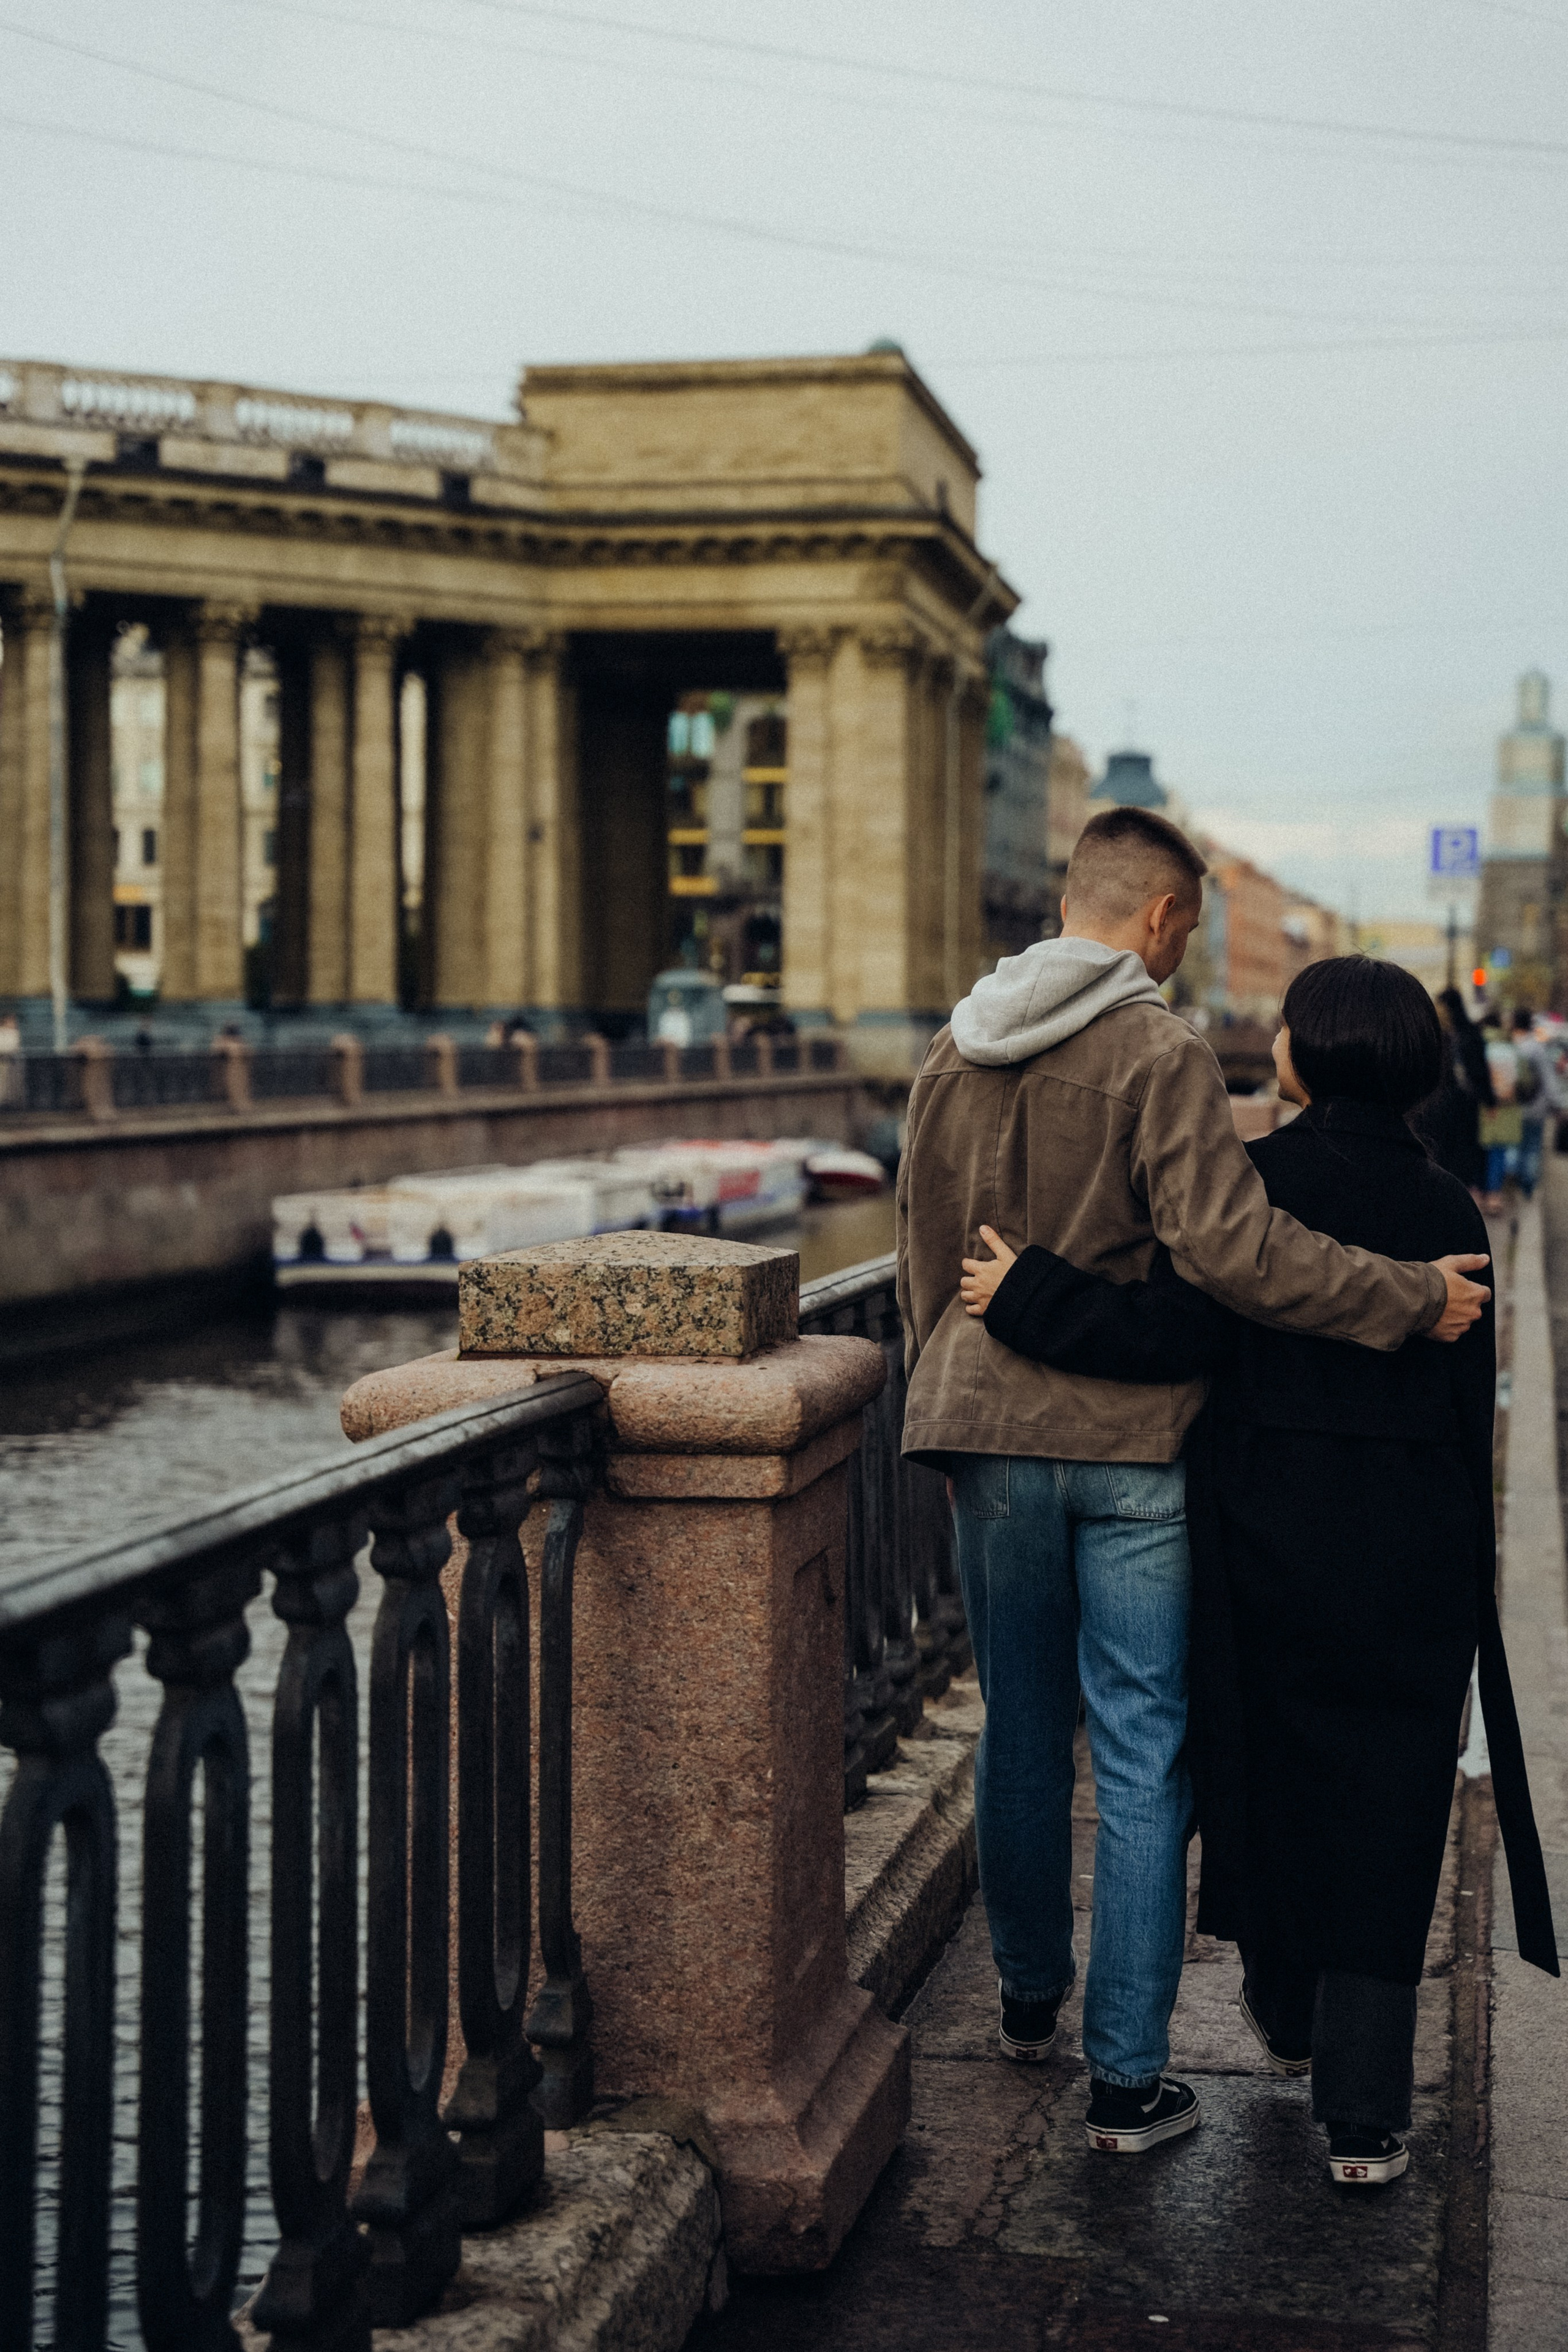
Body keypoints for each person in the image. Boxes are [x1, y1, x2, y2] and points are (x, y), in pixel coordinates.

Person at [895, 808, 1490, 2159]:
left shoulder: (951, 1044)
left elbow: (925, 1254)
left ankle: (1026, 2002)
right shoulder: (1155, 1049)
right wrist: (1408, 1296)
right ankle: (1124, 2083)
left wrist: (947, 1400)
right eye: (1190, 927)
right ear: (1161, 918)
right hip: (1130, 1449)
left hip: (985, 1426)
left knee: (1016, 1728)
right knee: (1142, 1749)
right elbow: (1230, 1257)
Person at [1420, 987, 1493, 1200]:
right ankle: (1462, 1194)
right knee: (1464, 1149)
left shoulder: (1433, 1033)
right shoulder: (1470, 1033)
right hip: (1466, 1102)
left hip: (1437, 1102)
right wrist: (1490, 1101)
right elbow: (1481, 1071)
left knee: (1440, 1152)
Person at [1508, 1006, 1558, 1200]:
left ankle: (1512, 1177)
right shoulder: (1537, 1048)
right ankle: (1527, 1187)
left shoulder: (1512, 1046)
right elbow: (1548, 1079)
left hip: (1514, 1107)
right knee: (1532, 1148)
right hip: (1536, 1108)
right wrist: (1556, 1104)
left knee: (1515, 1144)